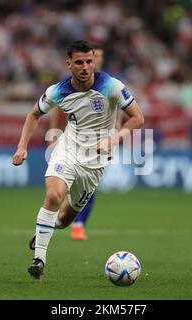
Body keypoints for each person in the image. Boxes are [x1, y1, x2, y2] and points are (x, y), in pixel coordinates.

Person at [12, 40, 144, 279]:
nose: (85, 67)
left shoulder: (112, 86)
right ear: (69, 64)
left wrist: (113, 140)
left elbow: (138, 118)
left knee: (63, 220)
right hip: (68, 151)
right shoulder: (57, 91)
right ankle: (39, 260)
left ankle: (45, 229)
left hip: (95, 163)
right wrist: (22, 147)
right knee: (53, 196)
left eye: (89, 61)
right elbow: (33, 114)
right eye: (80, 62)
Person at [47, 44, 121, 241]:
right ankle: (58, 218)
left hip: (101, 142)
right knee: (67, 184)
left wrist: (114, 138)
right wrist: (54, 133)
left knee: (89, 185)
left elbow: (119, 113)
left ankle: (76, 223)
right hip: (75, 143)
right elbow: (57, 107)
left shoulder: (107, 84)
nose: (93, 62)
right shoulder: (71, 85)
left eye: (97, 58)